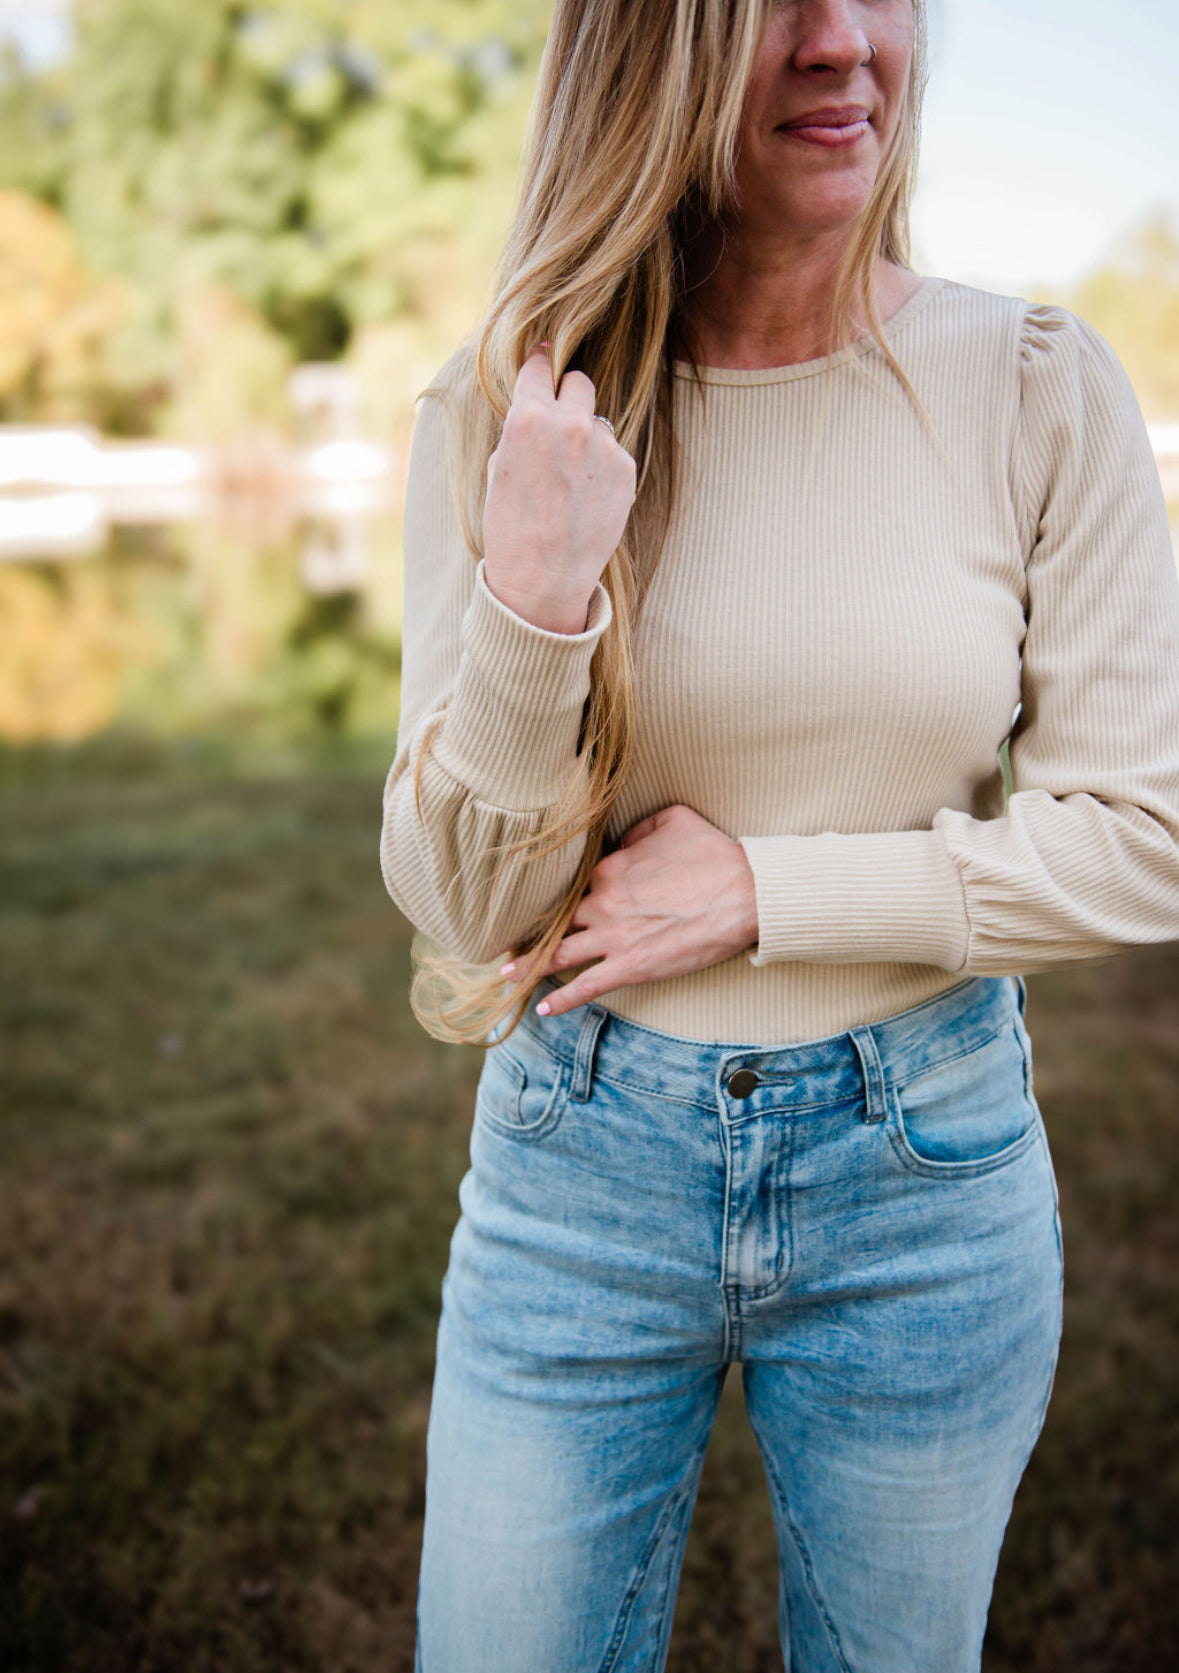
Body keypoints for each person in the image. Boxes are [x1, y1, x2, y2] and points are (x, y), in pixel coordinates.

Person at [379, 1, 1179, 1668]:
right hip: (577, 1172)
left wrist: (766, 892)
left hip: (923, 1176)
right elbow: (466, 901)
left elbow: (1143, 832)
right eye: (767, 4)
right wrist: (536, 599)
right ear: (648, 50)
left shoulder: (1035, 386)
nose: (844, 42)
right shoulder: (509, 412)